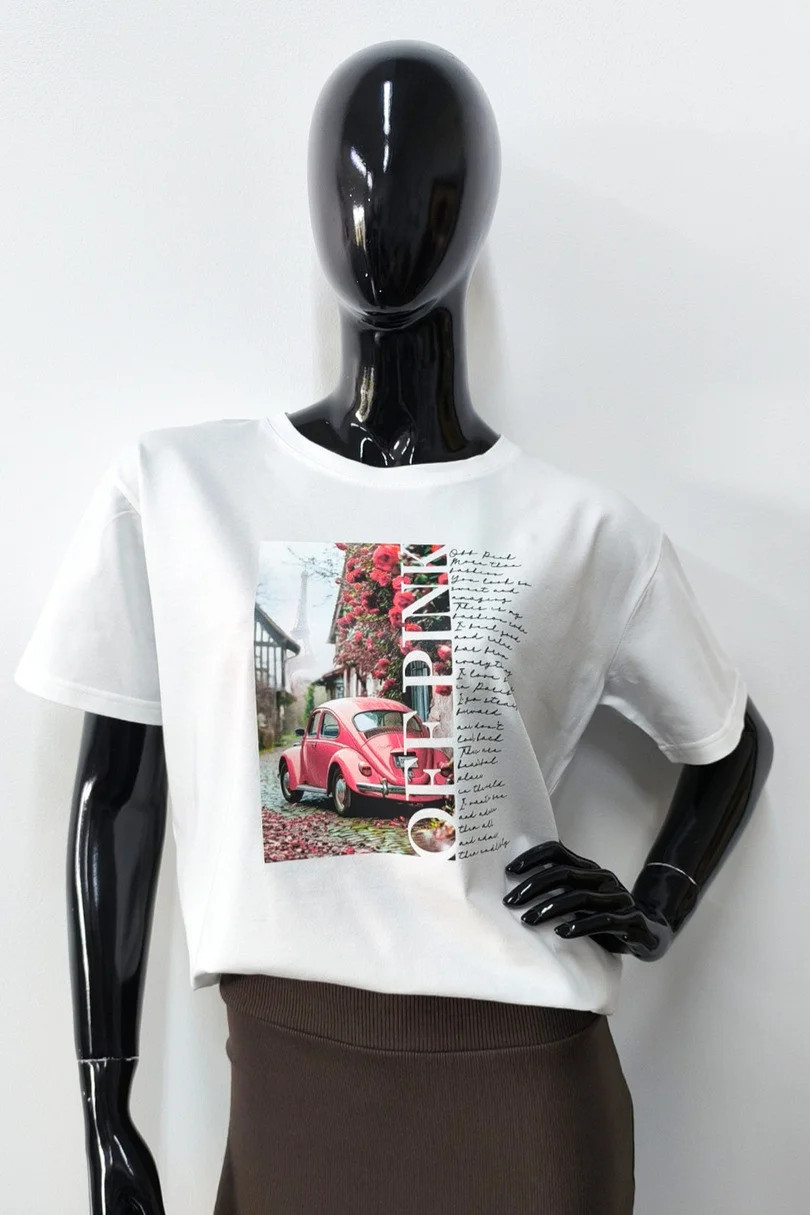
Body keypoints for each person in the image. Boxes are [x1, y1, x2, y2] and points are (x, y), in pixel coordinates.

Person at [13, 40, 773, 1215]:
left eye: (431, 186)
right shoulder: (178, 493)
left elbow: (730, 741)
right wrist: (103, 1114)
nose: (385, 214)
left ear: (479, 215)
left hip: (525, 1094)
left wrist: (657, 901)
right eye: (352, 179)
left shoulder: (578, 526)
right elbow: (118, 796)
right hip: (290, 1083)